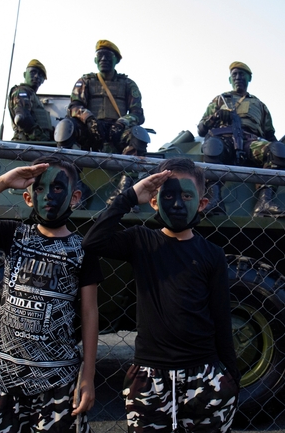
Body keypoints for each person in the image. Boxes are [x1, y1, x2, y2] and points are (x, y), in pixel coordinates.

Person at [83, 157, 240, 433]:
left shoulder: (212, 254)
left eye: (187, 196)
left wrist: (231, 378)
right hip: (149, 377)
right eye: (168, 195)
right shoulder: (141, 240)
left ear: (202, 204)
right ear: (154, 202)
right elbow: (93, 241)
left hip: (205, 375)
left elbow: (221, 317)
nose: (178, 204)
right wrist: (130, 196)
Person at [0, 156, 101, 433]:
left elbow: (90, 312)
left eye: (58, 188)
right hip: (6, 377)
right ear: (28, 198)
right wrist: (3, 181)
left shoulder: (82, 250)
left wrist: (87, 376)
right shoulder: (15, 235)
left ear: (75, 197)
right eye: (40, 189)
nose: (49, 196)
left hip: (58, 379)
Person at [55, 40, 148, 203]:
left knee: (138, 135)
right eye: (100, 56)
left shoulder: (128, 84)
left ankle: (125, 187)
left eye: (108, 56)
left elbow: (137, 114)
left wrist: (122, 123)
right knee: (66, 127)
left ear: (116, 60)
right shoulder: (86, 81)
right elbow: (74, 106)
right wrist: (89, 119)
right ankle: (74, 183)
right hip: (91, 131)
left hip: (117, 132)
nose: (103, 59)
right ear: (95, 60)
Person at [197, 61, 285, 218]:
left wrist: (278, 151)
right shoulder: (220, 100)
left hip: (250, 143)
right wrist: (217, 116)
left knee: (278, 150)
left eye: (242, 74)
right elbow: (201, 129)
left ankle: (264, 202)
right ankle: (214, 199)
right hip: (224, 141)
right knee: (212, 147)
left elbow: (270, 135)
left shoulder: (259, 105)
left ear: (249, 78)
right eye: (234, 74)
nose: (238, 77)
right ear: (230, 79)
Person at [8, 59, 54, 142]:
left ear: (43, 81)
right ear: (25, 74)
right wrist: (42, 138)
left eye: (40, 75)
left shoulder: (33, 96)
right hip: (26, 144)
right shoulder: (21, 91)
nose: (36, 76)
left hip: (37, 144)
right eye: (33, 72)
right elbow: (22, 118)